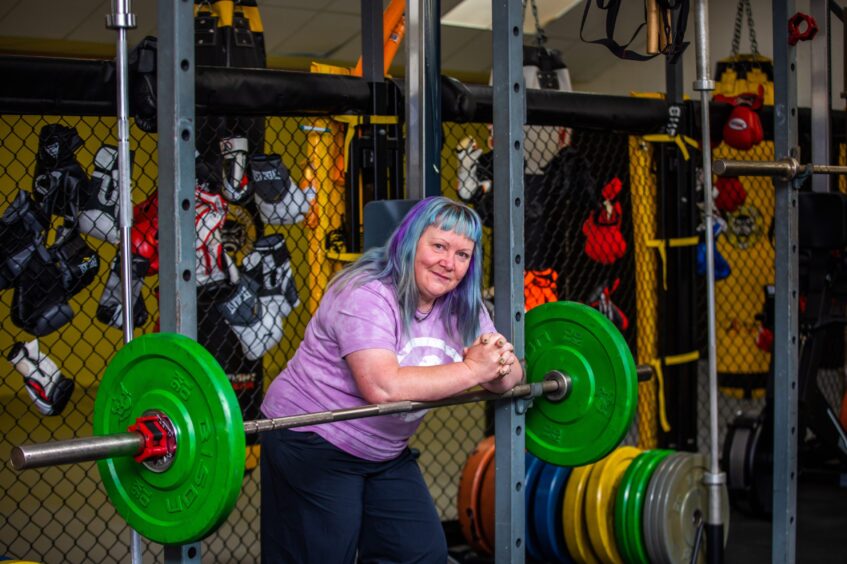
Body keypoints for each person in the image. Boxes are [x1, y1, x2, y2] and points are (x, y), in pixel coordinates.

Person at [259, 196, 524, 563]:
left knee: (419, 553)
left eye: (463, 255)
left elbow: (509, 376)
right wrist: (474, 370)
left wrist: (497, 363)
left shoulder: (463, 305)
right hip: (313, 438)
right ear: (411, 241)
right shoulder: (367, 292)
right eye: (439, 246)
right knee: (322, 554)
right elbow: (382, 387)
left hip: (384, 450)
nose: (449, 263)